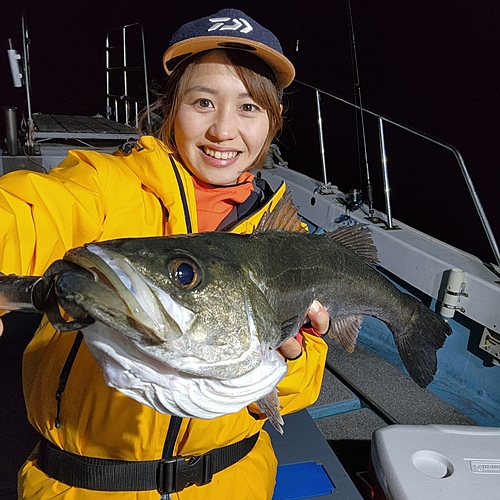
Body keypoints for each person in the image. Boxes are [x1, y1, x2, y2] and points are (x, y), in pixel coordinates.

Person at [0, 8, 329, 499]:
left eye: (248, 108)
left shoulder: (287, 235)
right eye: (202, 102)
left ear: (272, 123)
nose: (222, 130)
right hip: (83, 484)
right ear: (170, 109)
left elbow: (303, 384)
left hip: (235, 481)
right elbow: (30, 209)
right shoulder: (109, 185)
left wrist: (287, 361)